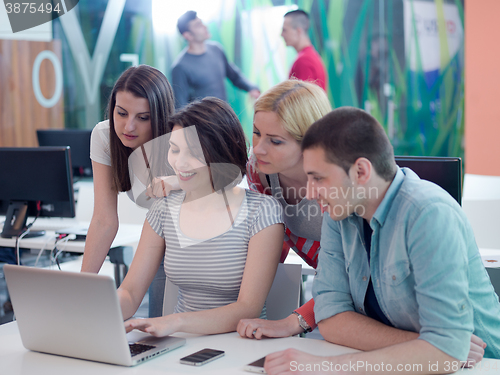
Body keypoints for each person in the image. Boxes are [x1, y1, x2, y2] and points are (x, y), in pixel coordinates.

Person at [263, 107, 500, 374]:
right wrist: (429, 346)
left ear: (361, 172)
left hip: (482, 366)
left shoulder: (429, 213)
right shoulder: (338, 214)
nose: (309, 191)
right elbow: (330, 318)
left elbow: (446, 356)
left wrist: (323, 367)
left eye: (318, 178)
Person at [118, 97, 284, 337]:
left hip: (242, 344)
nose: (179, 163)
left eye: (193, 152)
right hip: (180, 343)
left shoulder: (262, 211)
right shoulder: (164, 208)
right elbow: (131, 292)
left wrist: (176, 322)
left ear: (220, 153)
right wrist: (101, 310)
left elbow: (248, 308)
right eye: (174, 149)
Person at [237, 80, 331, 339]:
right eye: (256, 133)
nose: (258, 148)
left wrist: (294, 322)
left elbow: (348, 273)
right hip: (323, 288)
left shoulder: (338, 182)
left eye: (275, 141)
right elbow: (272, 239)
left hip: (355, 288)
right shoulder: (258, 169)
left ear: (311, 142)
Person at [81, 65, 175, 318]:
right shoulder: (104, 135)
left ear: (160, 116)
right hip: (158, 243)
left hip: (198, 250)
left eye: (143, 118)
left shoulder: (179, 143)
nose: (128, 126)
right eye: (121, 113)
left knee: (166, 325)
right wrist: (81, 286)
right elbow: (104, 219)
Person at [171, 10, 260, 109]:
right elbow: (180, 108)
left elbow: (234, 76)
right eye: (198, 25)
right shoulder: (180, 67)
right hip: (202, 123)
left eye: (202, 22)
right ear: (188, 35)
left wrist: (252, 88)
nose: (205, 27)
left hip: (224, 119)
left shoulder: (216, 49)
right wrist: (192, 126)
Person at [281, 10, 327, 91]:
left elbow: (301, 102)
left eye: (285, 30)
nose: (281, 34)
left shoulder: (304, 60)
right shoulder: (309, 56)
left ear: (298, 31)